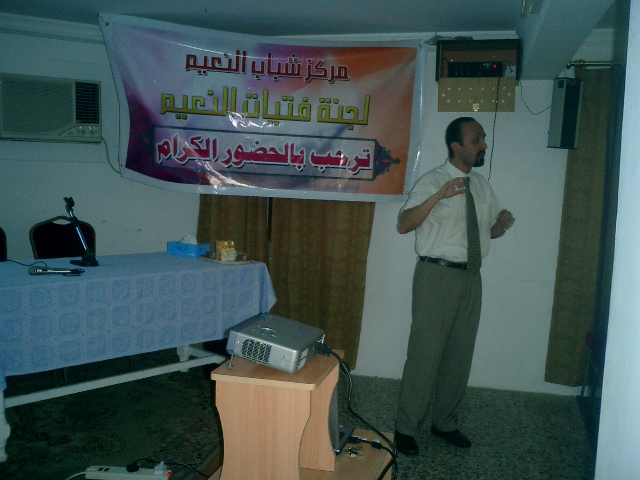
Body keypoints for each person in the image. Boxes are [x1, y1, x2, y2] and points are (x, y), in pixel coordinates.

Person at [393, 117, 515, 455]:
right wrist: (438, 197)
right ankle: (406, 428)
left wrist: (502, 226)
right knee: (425, 355)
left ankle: (444, 422)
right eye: (476, 140)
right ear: (456, 146)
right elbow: (404, 224)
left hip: (472, 276)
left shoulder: (481, 186)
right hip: (437, 276)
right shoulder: (432, 181)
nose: (484, 145)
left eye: (483, 139)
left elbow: (486, 232)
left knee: (459, 356)